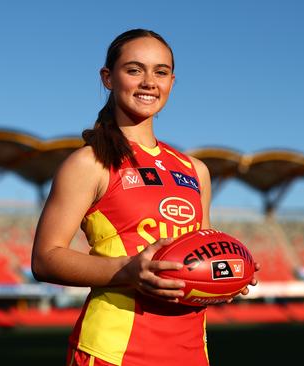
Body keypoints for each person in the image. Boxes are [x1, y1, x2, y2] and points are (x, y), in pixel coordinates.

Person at [31, 29, 257, 366]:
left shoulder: (196, 170)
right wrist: (126, 271)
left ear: (172, 82)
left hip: (192, 353)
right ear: (108, 78)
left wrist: (226, 275)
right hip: (113, 352)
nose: (149, 81)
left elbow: (199, 254)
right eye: (134, 70)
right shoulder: (89, 163)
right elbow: (45, 259)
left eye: (161, 72)